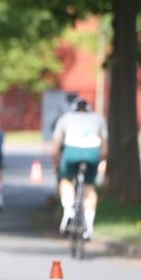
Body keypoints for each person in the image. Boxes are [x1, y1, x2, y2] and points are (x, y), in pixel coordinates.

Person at [51, 97, 108, 240]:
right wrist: (98, 163)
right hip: (93, 152)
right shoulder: (98, 119)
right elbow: (105, 149)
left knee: (66, 180)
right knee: (89, 187)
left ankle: (68, 211)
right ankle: (89, 225)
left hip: (72, 152)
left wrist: (57, 165)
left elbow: (55, 148)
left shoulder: (65, 118)